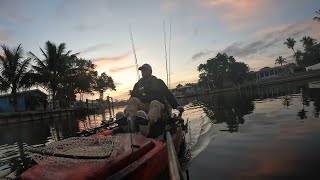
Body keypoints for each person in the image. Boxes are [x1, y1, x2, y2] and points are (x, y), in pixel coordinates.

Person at [116, 63, 184, 136]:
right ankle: (128, 123)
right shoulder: (137, 84)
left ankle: (146, 125)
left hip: (159, 106)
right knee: (133, 100)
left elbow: (168, 94)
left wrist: (177, 106)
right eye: (142, 70)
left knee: (154, 102)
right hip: (143, 108)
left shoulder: (158, 82)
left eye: (145, 70)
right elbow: (132, 99)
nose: (143, 72)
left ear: (150, 71)